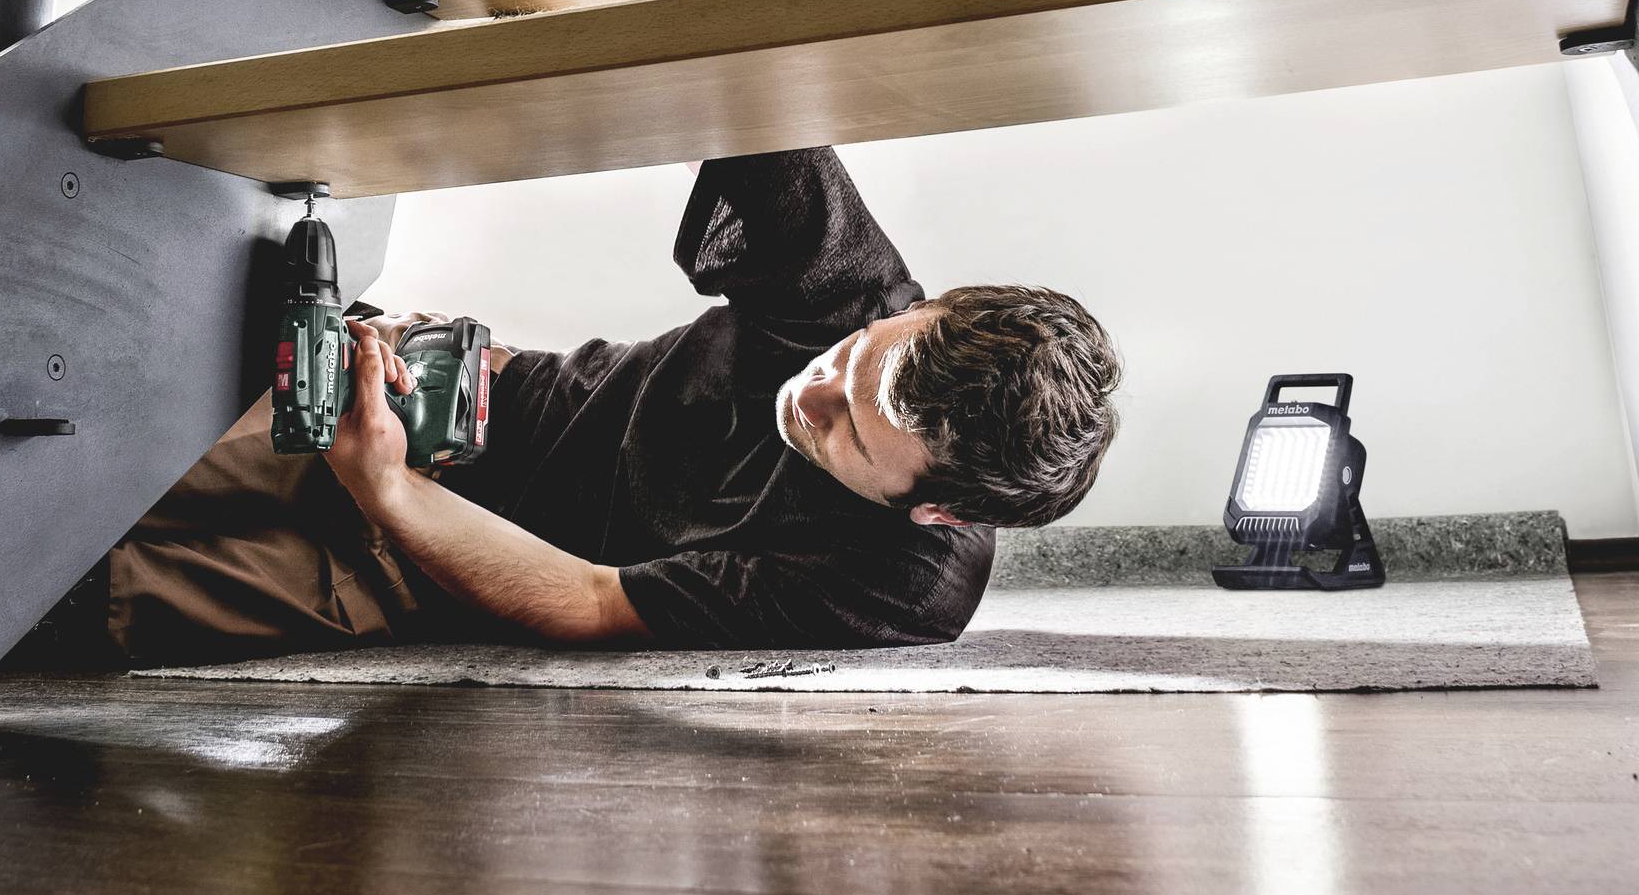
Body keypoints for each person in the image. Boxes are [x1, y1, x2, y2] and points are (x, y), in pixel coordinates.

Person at [83, 147, 1122, 667]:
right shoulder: (851, 290)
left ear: (935, 509)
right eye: (849, 361)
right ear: (916, 312)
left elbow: (588, 604)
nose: (811, 396)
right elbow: (740, 69)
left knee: (83, 593)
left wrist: (388, 492)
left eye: (850, 433)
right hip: (456, 401)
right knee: (88, 469)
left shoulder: (900, 585)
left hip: (440, 566)